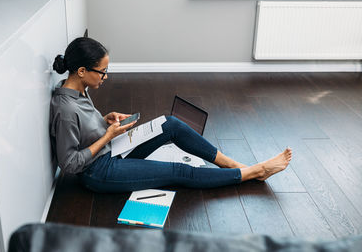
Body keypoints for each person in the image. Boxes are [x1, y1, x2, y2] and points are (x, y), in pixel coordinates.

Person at [50, 37, 292, 193]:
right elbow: (69, 164)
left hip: (111, 149)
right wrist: (107, 136)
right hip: (98, 172)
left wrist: (105, 121)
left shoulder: (78, 89)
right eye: (102, 72)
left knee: (171, 124)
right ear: (82, 71)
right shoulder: (66, 109)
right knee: (177, 171)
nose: (106, 77)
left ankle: (232, 164)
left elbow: (84, 131)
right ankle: (253, 172)